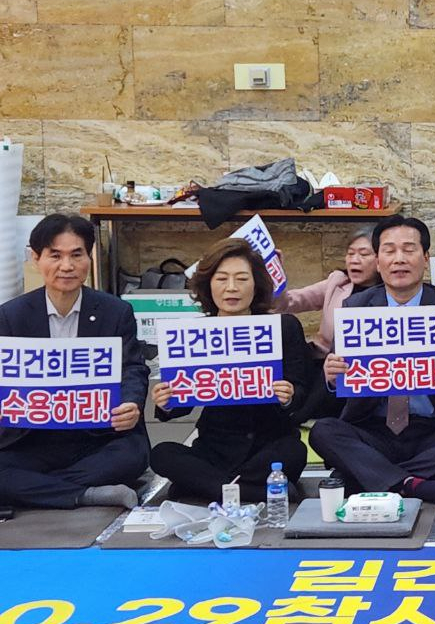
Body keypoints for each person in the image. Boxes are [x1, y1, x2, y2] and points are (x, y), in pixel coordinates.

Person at [309, 214, 435, 507]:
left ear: (426, 257)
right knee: (324, 432)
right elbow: (338, 370)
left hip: (432, 430)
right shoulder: (356, 306)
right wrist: (331, 374)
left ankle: (376, 479)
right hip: (372, 428)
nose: (399, 259)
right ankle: (412, 485)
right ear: (378, 261)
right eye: (389, 251)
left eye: (409, 249)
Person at [0, 214, 148, 509]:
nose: (66, 266)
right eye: (55, 255)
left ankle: (37, 489)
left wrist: (131, 402)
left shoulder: (115, 311)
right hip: (33, 437)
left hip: (96, 437)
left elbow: (133, 367)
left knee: (133, 455)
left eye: (76, 255)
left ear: (89, 258)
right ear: (35, 258)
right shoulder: (10, 316)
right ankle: (87, 494)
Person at [150, 238, 309, 503]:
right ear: (208, 284)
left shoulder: (284, 327)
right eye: (222, 279)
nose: (232, 288)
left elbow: (302, 390)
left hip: (268, 446)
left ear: (256, 284)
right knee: (162, 453)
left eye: (242, 279)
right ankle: (247, 491)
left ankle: (203, 488)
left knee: (294, 451)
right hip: (214, 449)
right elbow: (180, 406)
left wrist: (289, 395)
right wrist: (166, 401)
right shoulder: (193, 334)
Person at [274, 225, 378, 422]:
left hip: (351, 371)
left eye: (364, 254)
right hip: (316, 361)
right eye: (350, 253)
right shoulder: (338, 282)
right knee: (288, 325)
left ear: (381, 260)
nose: (354, 260)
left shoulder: (388, 295)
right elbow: (289, 303)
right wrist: (276, 280)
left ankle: (297, 418)